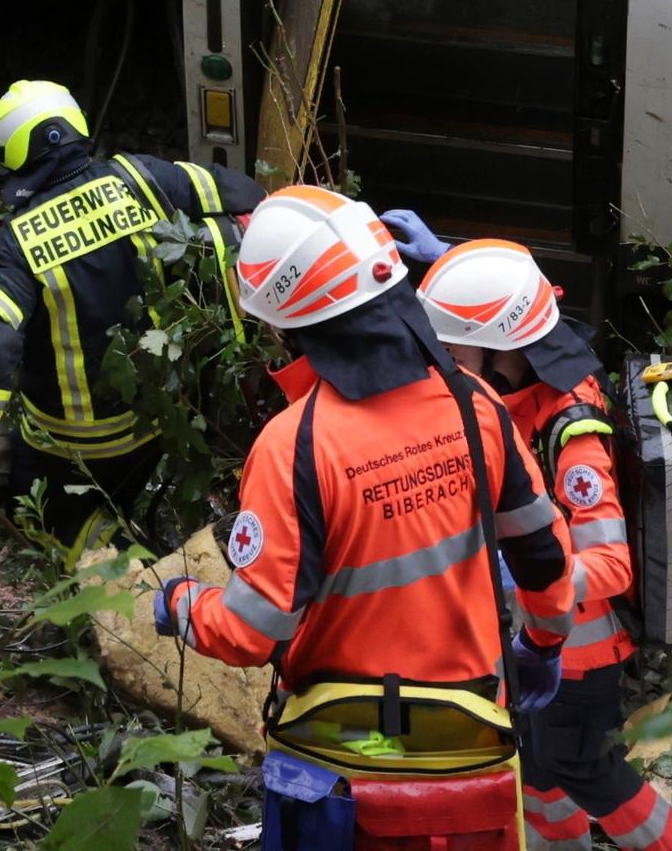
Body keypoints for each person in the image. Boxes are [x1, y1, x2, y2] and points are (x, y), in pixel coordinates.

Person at [155, 187, 578, 850]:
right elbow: (544, 556)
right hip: (469, 756)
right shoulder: (475, 406)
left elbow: (248, 633)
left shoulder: (295, 446)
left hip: (343, 775)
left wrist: (180, 603)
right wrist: (544, 644)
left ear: (285, 324)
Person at [421, 238, 672, 851]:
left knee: (589, 773)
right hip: (534, 644)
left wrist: (518, 568)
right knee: (538, 771)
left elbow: (610, 564)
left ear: (501, 348)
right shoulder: (539, 371)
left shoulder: (571, 431)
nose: (445, 364)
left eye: (454, 351)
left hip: (576, 658)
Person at [0, 79, 267, 551]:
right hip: (162, 414)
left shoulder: (16, 243)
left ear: (20, 152)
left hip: (76, 443)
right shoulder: (141, 176)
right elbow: (245, 194)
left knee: (37, 509)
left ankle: (130, 567)